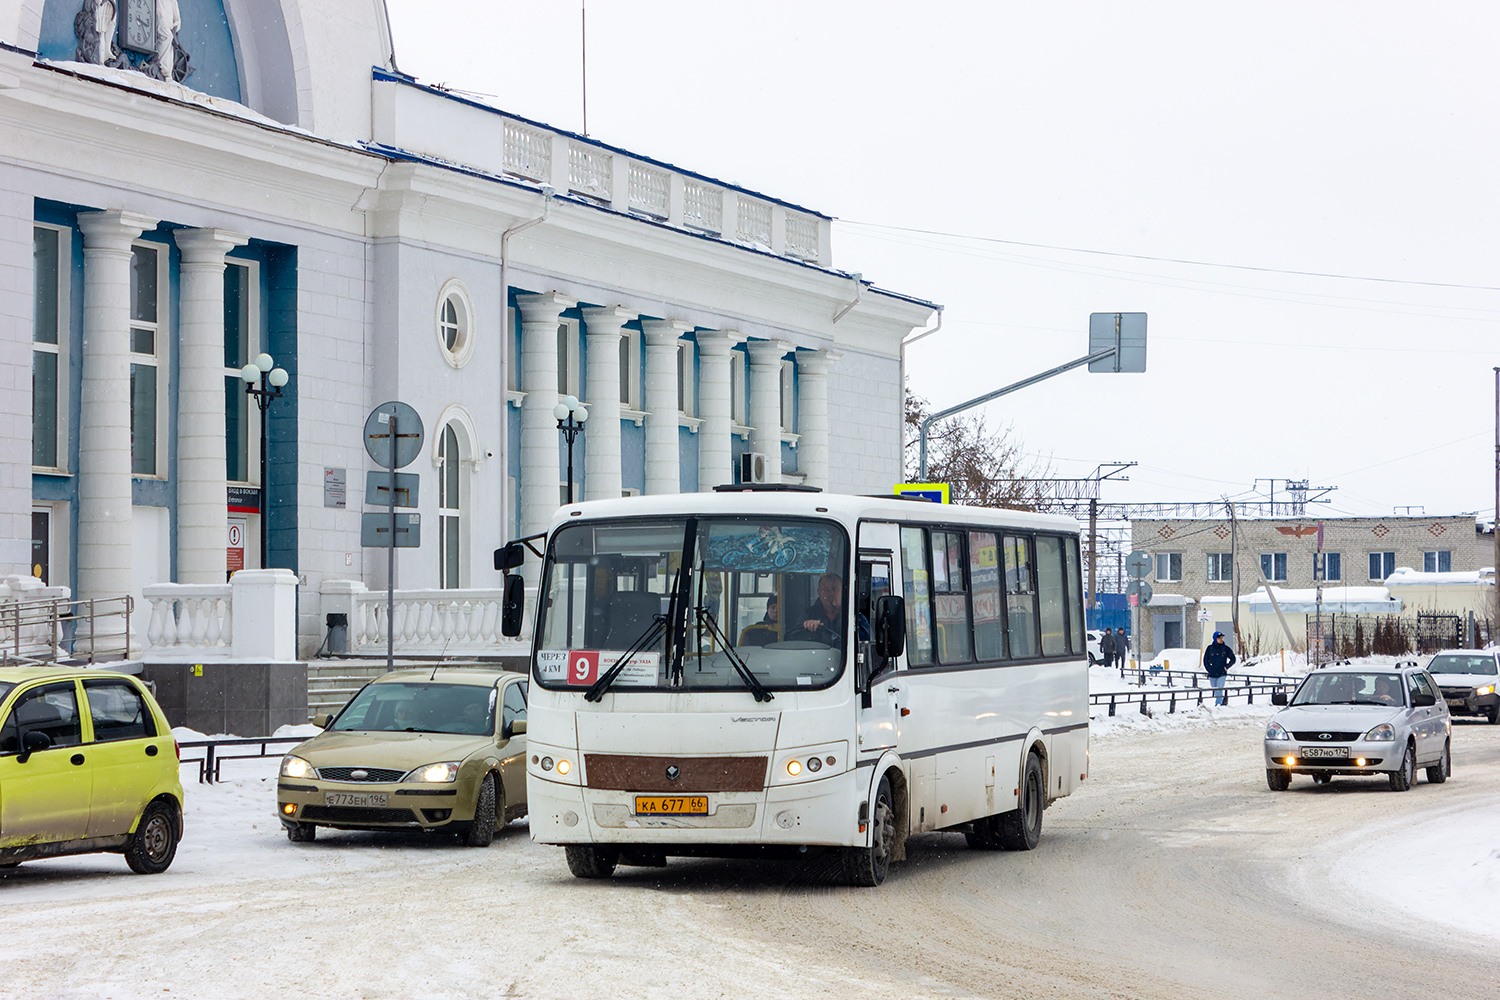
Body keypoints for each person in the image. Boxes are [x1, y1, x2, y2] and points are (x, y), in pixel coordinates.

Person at [799, 573, 846, 643]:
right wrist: (809, 626)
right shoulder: (810, 614)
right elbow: (798, 637)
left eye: (834, 589)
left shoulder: (852, 614)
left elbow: (863, 640)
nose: (830, 594)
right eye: (825, 590)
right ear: (819, 592)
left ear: (843, 591)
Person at [1202, 632, 1237, 705]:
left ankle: (1218, 704)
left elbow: (1233, 659)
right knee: (1215, 689)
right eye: (1219, 638)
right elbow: (1205, 660)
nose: (1221, 640)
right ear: (1215, 639)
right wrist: (1209, 669)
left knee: (1219, 688)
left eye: (1222, 638)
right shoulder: (1210, 648)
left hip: (1222, 673)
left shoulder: (1225, 648)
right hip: (1212, 673)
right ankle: (1221, 700)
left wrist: (1227, 666)